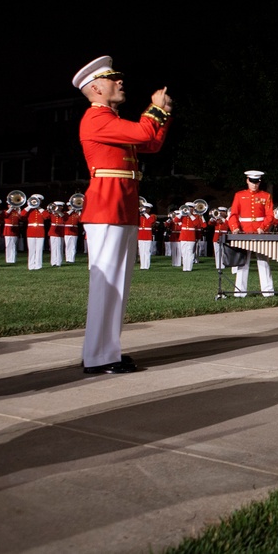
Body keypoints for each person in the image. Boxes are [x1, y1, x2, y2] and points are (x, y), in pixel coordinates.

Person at [73, 55, 172, 374]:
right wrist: (153, 109)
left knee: (118, 285)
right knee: (107, 286)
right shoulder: (96, 118)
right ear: (97, 88)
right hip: (107, 207)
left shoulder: (110, 121)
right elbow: (144, 133)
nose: (120, 82)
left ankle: (106, 351)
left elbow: (152, 143)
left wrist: (163, 115)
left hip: (120, 206)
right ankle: (99, 356)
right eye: (113, 79)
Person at [227, 170, 274, 297]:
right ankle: (240, 292)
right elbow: (233, 214)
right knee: (242, 262)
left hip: (260, 232)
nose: (254, 185)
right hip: (244, 231)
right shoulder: (239, 195)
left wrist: (263, 227)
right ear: (247, 180)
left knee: (263, 261)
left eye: (257, 182)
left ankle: (268, 291)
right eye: (252, 182)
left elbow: (270, 215)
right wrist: (235, 227)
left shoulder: (266, 196)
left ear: (260, 182)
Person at [22, 196, 49, 270]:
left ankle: (38, 265)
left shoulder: (42, 210)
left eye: (38, 201)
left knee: (39, 249)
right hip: (31, 231)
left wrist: (39, 207)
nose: (36, 202)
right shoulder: (29, 210)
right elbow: (22, 215)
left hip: (40, 231)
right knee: (31, 249)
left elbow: (47, 216)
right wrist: (29, 206)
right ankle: (31, 265)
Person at [2, 199, 24, 264]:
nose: (11, 206)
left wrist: (19, 210)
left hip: (15, 229)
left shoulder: (16, 212)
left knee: (14, 244)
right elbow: (4, 215)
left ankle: (13, 259)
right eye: (9, 205)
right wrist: (11, 208)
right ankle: (8, 259)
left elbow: (21, 218)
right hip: (8, 229)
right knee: (8, 244)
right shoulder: (5, 211)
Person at [48, 202, 67, 267]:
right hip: (53, 231)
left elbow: (64, 218)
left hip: (60, 231)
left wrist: (58, 212)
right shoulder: (52, 213)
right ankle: (53, 262)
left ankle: (58, 262)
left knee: (59, 247)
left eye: (59, 206)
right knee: (53, 247)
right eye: (56, 206)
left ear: (61, 207)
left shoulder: (64, 213)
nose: (57, 208)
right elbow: (47, 216)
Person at [137, 201, 156, 269]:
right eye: (143, 208)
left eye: (146, 209)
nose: (144, 210)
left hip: (147, 235)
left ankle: (146, 266)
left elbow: (152, 221)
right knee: (141, 251)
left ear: (149, 209)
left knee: (147, 251)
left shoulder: (152, 216)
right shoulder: (140, 216)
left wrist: (145, 213)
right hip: (141, 235)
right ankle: (142, 266)